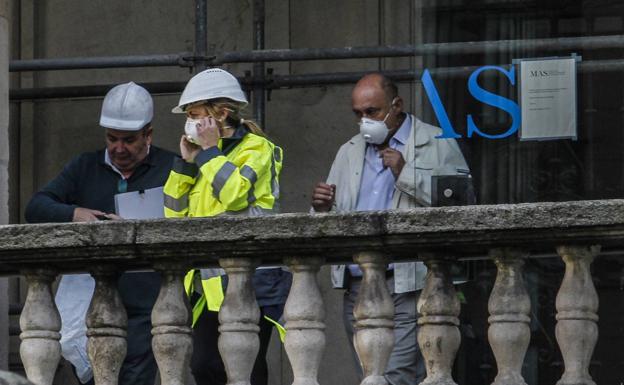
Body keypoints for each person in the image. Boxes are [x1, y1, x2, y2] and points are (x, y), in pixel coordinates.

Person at [311, 73, 471, 385]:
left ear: (396, 105)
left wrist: (404, 172)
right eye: (357, 113)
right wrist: (320, 208)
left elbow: (463, 207)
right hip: (358, 284)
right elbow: (332, 219)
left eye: (372, 111)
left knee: (395, 375)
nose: (364, 120)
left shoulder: (436, 141)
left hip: (408, 283)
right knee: (370, 375)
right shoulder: (349, 151)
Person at [24, 82, 175, 385]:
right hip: (91, 301)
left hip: (147, 301)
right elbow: (36, 206)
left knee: (134, 377)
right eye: (112, 138)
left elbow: (193, 219)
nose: (119, 148)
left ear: (148, 135)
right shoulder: (84, 166)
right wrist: (73, 213)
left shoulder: (172, 167)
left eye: (129, 140)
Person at [163, 68, 291, 385]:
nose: (189, 122)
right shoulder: (203, 158)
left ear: (221, 114)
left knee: (247, 367)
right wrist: (185, 164)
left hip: (254, 278)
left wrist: (208, 153)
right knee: (205, 365)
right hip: (210, 285)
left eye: (195, 115)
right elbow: (172, 213)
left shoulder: (258, 149)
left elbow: (235, 195)